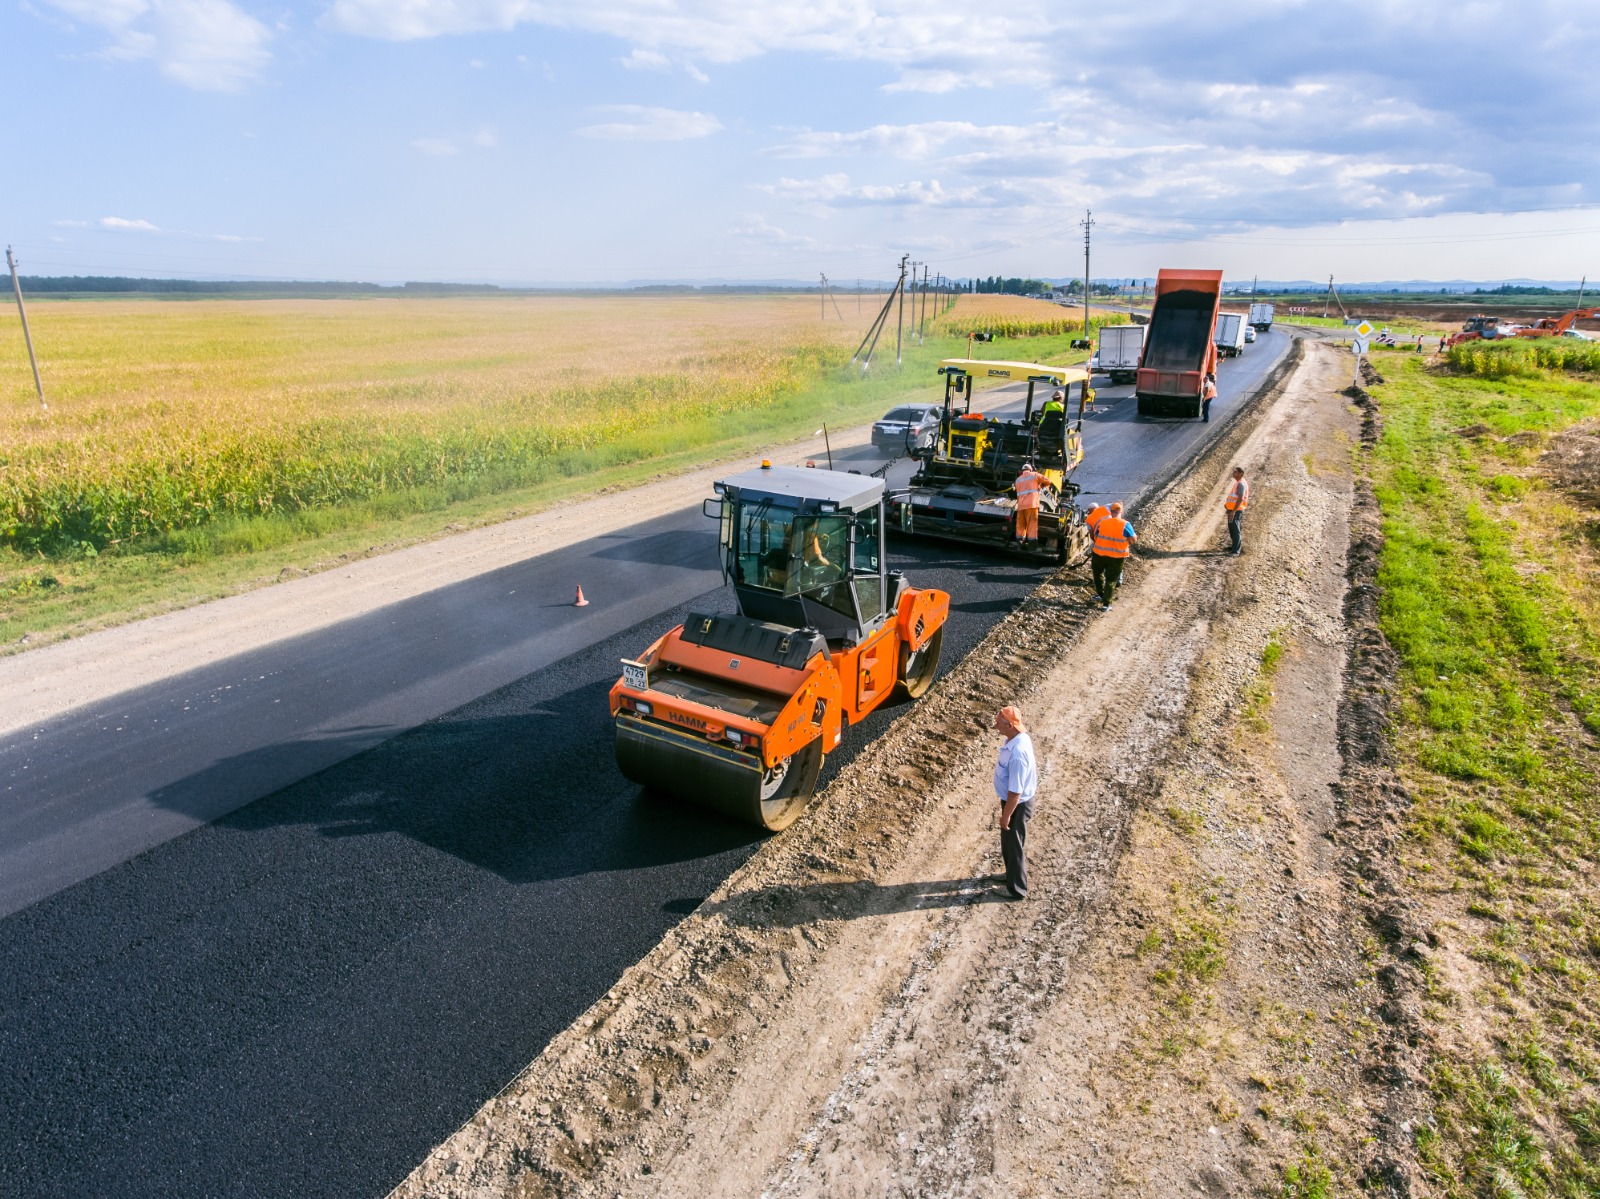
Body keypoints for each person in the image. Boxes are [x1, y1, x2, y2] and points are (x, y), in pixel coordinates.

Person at [991, 704, 1038, 900]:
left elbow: (1015, 792)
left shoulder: (1018, 754)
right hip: (1013, 804)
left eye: (999, 724)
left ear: (1010, 725)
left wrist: (1006, 816)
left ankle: (1017, 889)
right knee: (1009, 843)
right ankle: (1010, 874)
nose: (995, 726)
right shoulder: (1016, 738)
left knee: (1014, 846)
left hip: (1016, 806)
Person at [1090, 501, 1136, 608]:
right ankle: (1106, 603)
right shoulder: (1125, 524)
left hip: (1099, 554)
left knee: (1098, 575)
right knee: (1111, 580)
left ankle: (1100, 594)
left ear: (1110, 512)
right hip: (1117, 557)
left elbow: (1096, 537)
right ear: (1122, 512)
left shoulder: (1103, 523)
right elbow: (1133, 539)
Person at [1012, 461, 1044, 543]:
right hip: (1032, 504)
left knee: (1020, 524)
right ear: (1031, 470)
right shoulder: (1035, 475)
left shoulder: (1018, 480)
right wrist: (1040, 486)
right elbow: (1048, 481)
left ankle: (1020, 540)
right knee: (1032, 523)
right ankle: (1032, 542)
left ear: (1022, 471)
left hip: (1021, 505)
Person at [1224, 466, 1250, 555]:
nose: (1233, 473)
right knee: (1232, 528)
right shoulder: (1238, 483)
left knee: (1235, 529)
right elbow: (1234, 497)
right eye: (1233, 472)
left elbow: (1240, 499)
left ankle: (1236, 550)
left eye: (1235, 472)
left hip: (1236, 510)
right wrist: (1227, 505)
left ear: (1240, 473)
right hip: (1232, 509)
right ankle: (1234, 546)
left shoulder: (1241, 484)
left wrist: (1233, 511)